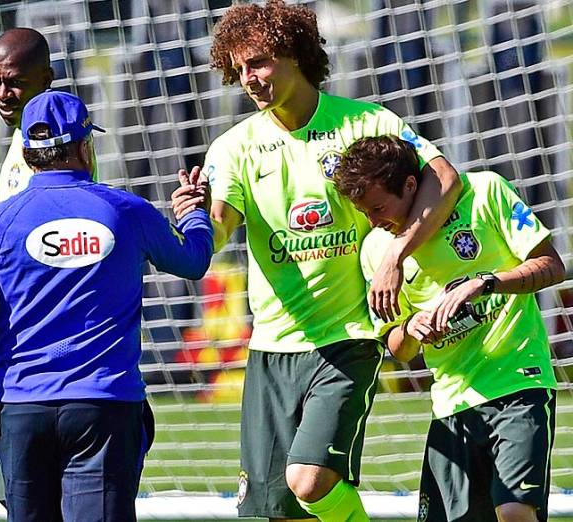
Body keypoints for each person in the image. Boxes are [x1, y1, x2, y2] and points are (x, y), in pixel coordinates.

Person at [182, 1, 463, 519]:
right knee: (272, 511)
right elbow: (219, 227)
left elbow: (444, 179)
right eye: (240, 68)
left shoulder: (366, 122)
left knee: (310, 483)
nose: (250, 78)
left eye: (260, 62)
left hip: (349, 339)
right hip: (269, 347)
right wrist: (196, 216)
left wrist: (396, 255)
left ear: (296, 54)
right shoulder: (233, 147)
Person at [0, 90, 213, 521]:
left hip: (22, 410)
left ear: (25, 153)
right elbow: (193, 260)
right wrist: (192, 213)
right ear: (85, 147)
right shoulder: (126, 211)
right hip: (104, 408)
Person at [335, 135, 565, 522]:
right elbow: (397, 346)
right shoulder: (376, 250)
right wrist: (413, 327)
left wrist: (486, 283)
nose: (373, 221)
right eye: (365, 213)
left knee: (514, 511)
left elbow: (552, 266)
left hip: (518, 381)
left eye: (378, 208)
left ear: (411, 186)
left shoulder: (485, 192)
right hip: (451, 403)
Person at [0, 27, 55, 507]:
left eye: (15, 82)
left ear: (47, 78)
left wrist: (1, 331)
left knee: (32, 496)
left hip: (37, 349)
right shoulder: (25, 141)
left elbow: (48, 257)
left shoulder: (50, 148)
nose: (3, 94)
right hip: (21, 340)